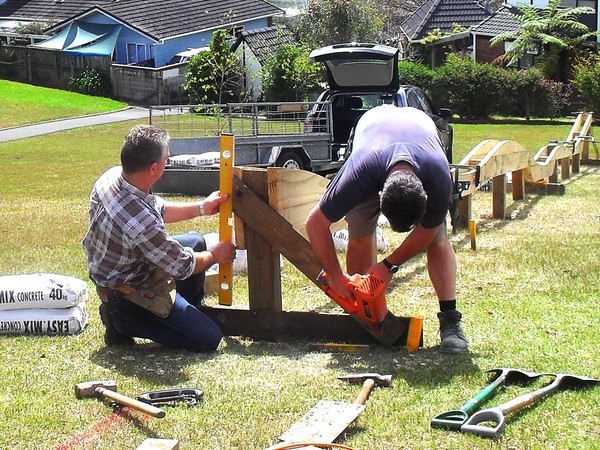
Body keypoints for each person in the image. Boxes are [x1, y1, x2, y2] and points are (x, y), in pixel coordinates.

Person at [305, 105, 468, 353]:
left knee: (438, 239)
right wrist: (336, 277)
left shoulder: (438, 177)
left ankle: (451, 322)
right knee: (360, 233)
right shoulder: (359, 175)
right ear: (379, 196)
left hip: (420, 132)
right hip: (373, 133)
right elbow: (315, 224)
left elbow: (429, 230)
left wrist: (388, 265)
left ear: (425, 194)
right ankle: (367, 316)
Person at [82, 124, 236, 351]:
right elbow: (183, 265)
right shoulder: (140, 222)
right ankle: (123, 320)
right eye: (167, 158)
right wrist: (215, 255)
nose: (168, 160)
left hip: (126, 267)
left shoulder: (113, 176)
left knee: (195, 241)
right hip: (126, 288)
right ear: (154, 168)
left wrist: (202, 207)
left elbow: (157, 208)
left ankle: (184, 312)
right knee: (208, 338)